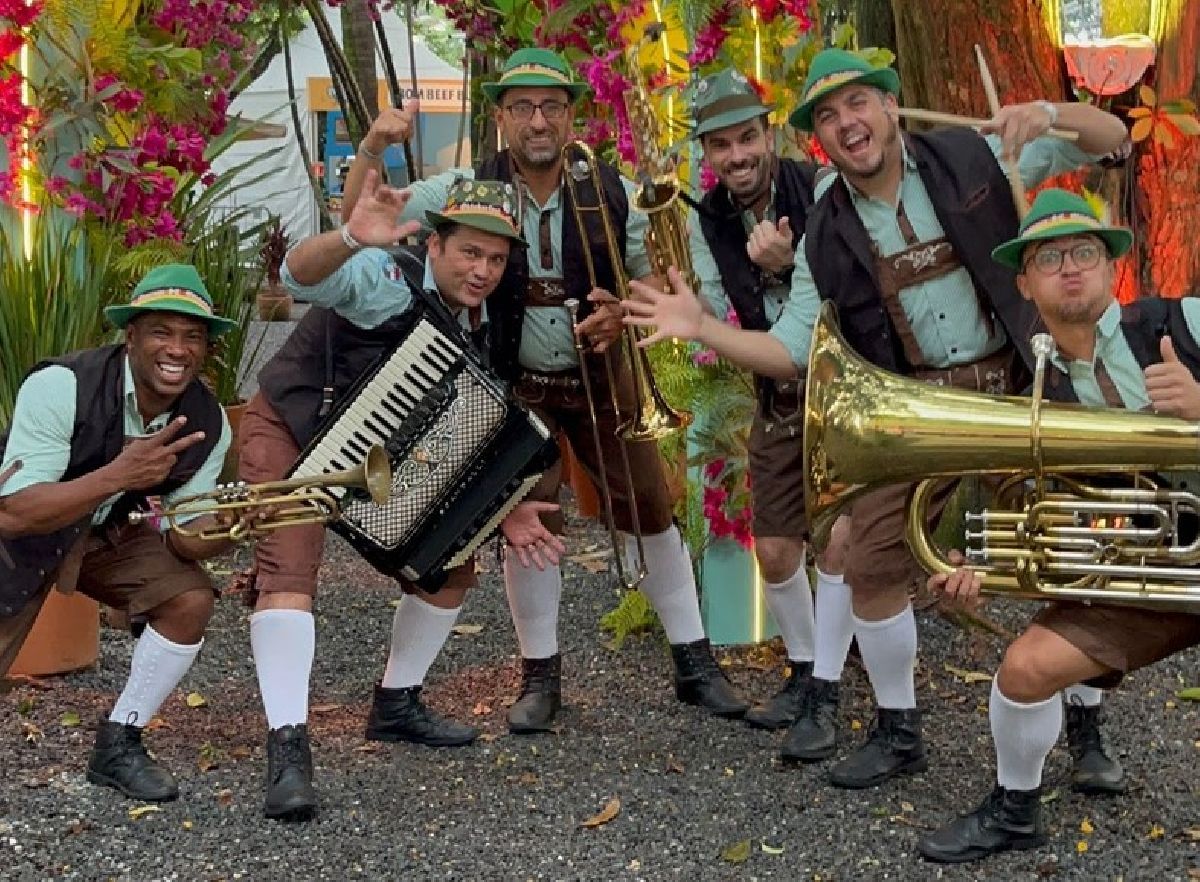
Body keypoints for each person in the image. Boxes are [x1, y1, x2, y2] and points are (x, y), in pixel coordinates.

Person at [624, 48, 1130, 789]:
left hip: (1015, 385)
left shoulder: (979, 152)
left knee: (1065, 544)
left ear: (890, 107)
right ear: (817, 139)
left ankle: (1086, 727)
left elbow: (1112, 136)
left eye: (857, 103)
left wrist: (1050, 114)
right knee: (868, 569)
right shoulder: (824, 233)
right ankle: (899, 729)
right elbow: (790, 349)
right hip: (920, 404)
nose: (846, 122)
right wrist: (702, 327)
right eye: (827, 116)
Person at [342, 47, 748, 735]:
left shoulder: (613, 189)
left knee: (650, 505)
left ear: (569, 118)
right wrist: (370, 150)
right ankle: (541, 675)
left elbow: (664, 285)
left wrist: (623, 311)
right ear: (501, 116)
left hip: (599, 374)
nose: (538, 120)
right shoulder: (467, 185)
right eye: (523, 106)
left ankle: (696, 663)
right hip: (510, 386)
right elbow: (365, 217)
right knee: (535, 522)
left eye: (552, 107)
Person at [239, 174, 566, 822]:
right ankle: (288, 749)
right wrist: (351, 237)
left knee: (451, 563)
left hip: (372, 461)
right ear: (437, 245)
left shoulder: (488, 322)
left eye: (496, 259)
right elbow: (303, 275)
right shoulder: (386, 279)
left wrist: (510, 507)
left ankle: (396, 703)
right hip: (293, 427)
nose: (482, 270)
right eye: (470, 252)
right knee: (290, 570)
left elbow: (476, 431)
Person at [918, 188, 1200, 863]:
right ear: (1026, 283)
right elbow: (1018, 521)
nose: (1070, 267)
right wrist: (968, 569)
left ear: (1112, 270)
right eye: (1049, 258)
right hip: (1152, 572)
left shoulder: (1186, 322)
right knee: (1023, 668)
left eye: (1084, 252)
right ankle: (1016, 810)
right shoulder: (1033, 394)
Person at [0, 264, 238, 803]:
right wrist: (120, 476)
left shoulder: (209, 419)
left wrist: (231, 527)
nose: (177, 349)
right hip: (27, 528)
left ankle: (120, 741)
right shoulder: (63, 384)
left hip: (107, 529)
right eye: (161, 331)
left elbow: (180, 535)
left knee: (188, 598)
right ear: (130, 337)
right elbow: (14, 513)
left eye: (192, 336)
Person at [687, 67, 853, 754]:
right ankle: (808, 664)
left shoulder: (823, 191)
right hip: (778, 394)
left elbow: (843, 294)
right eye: (721, 145)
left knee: (844, 543)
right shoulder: (707, 221)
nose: (738, 156)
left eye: (747, 137)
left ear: (770, 134)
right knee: (779, 548)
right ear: (707, 154)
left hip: (849, 391)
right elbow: (704, 307)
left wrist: (785, 269)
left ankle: (829, 691)